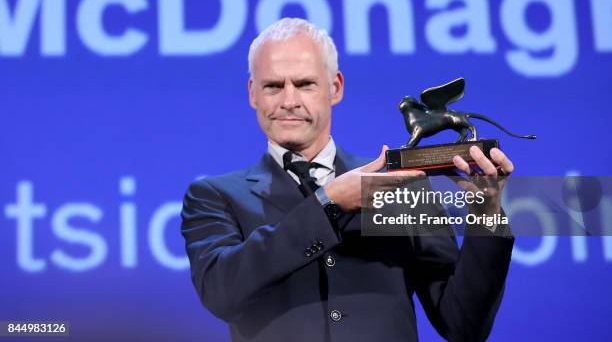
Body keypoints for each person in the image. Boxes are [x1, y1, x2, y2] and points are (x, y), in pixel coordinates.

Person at [181, 18, 514, 342]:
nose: (288, 101)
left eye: (305, 84)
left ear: (335, 87)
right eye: (273, 86)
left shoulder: (403, 187)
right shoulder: (214, 196)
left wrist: (486, 213)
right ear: (253, 93)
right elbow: (220, 293)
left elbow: (463, 325)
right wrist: (329, 203)